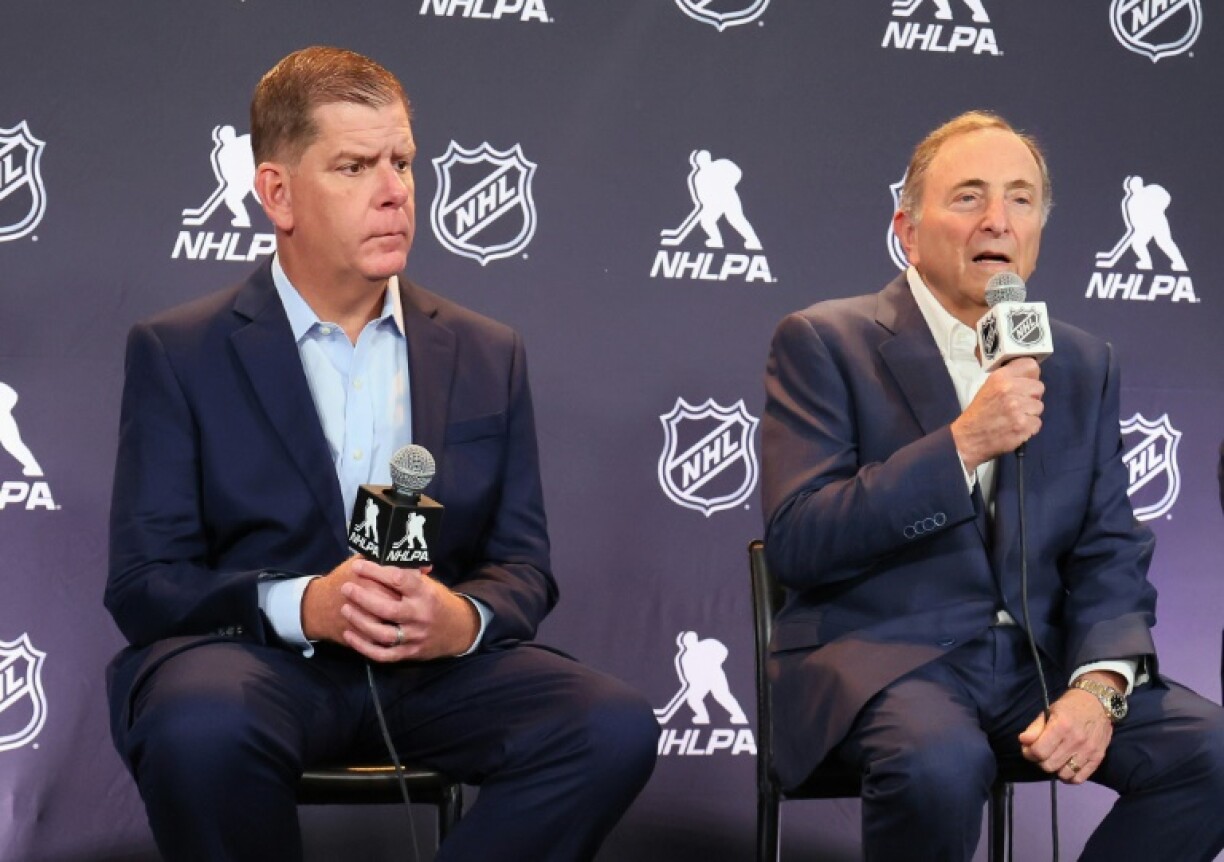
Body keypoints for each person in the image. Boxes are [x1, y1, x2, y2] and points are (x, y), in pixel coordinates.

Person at [104, 46, 657, 862]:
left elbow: (522, 567)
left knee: (607, 726)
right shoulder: (179, 351)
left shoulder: (485, 350)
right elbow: (146, 585)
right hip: (253, 664)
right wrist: (305, 606)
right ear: (277, 194)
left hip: (432, 675)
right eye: (356, 166)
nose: (396, 192)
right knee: (200, 721)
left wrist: (460, 618)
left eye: (402, 160)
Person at [760, 110, 1224, 861]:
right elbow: (800, 541)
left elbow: (1109, 549)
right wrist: (962, 444)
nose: (998, 221)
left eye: (1020, 199)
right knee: (940, 763)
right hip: (891, 661)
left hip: (1037, 669)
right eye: (969, 197)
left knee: (1211, 754)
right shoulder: (825, 341)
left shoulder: (1079, 361)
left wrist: (1098, 684)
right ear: (907, 230)